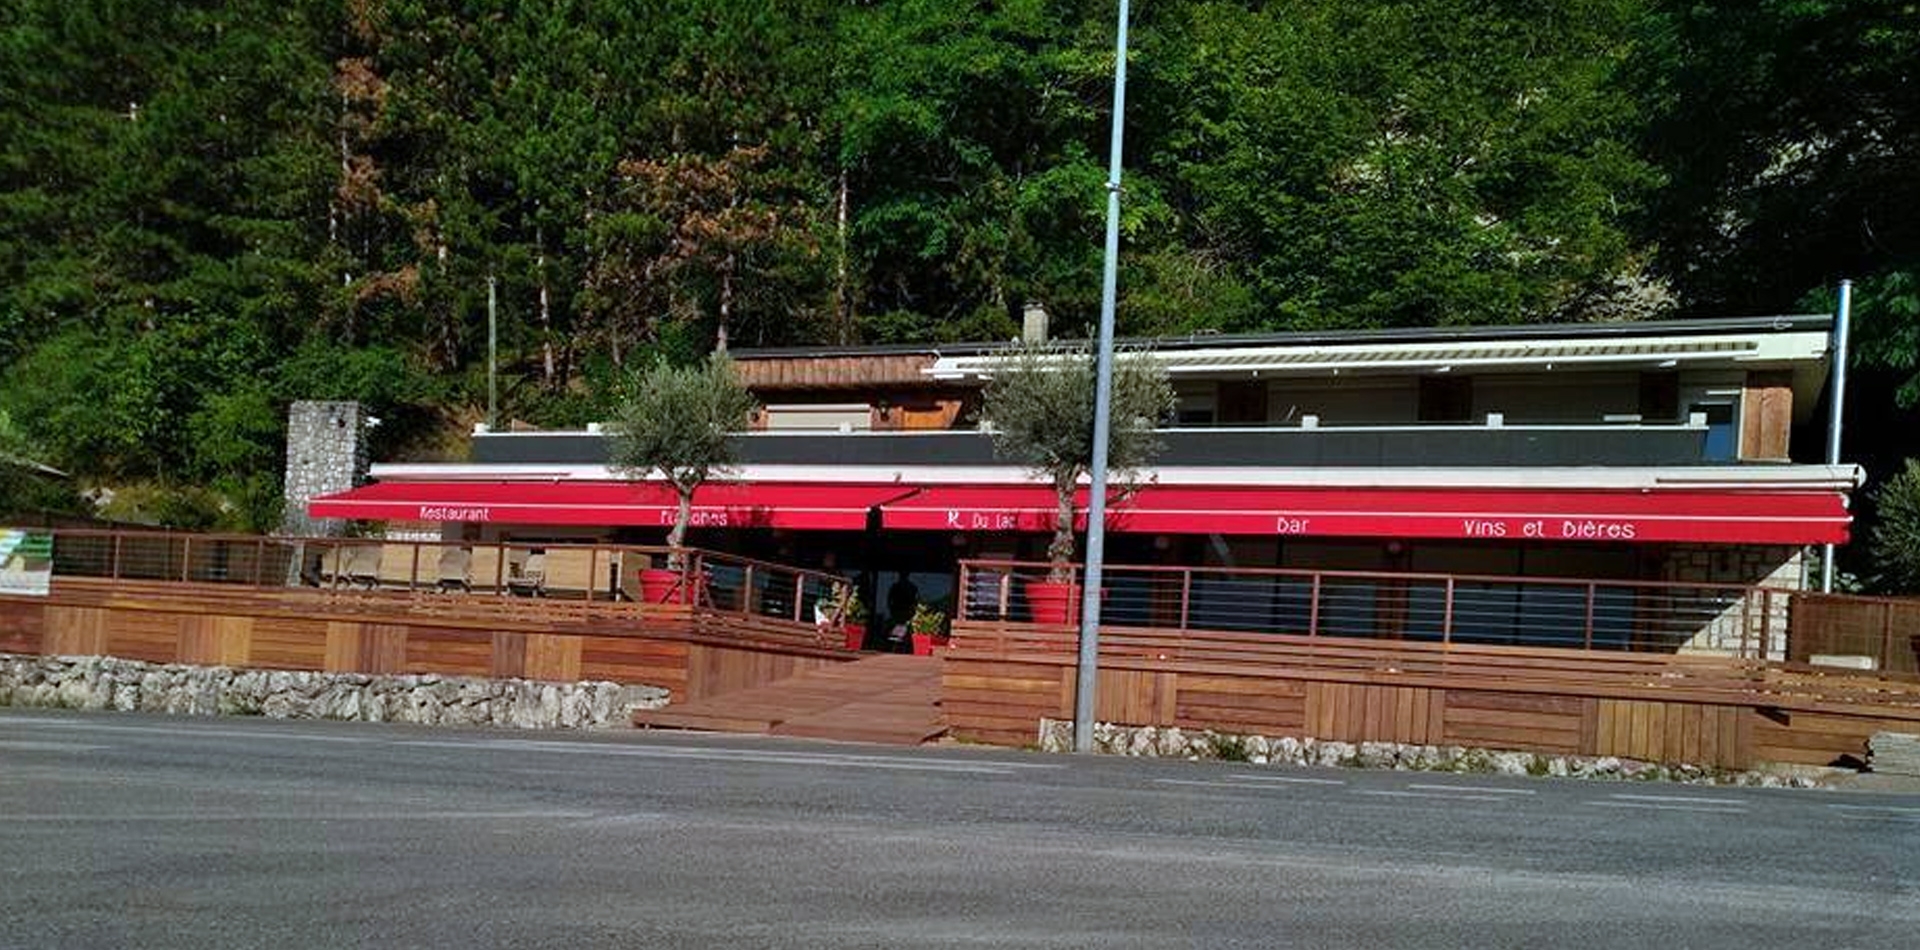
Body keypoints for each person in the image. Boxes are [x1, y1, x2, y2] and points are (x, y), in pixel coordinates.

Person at [885, 573, 919, 652]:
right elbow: (889, 600)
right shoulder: (909, 587)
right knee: (898, 633)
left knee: (902, 632)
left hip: (903, 614)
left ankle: (899, 649)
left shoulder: (911, 587)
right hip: (900, 613)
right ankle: (895, 648)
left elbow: (916, 601)